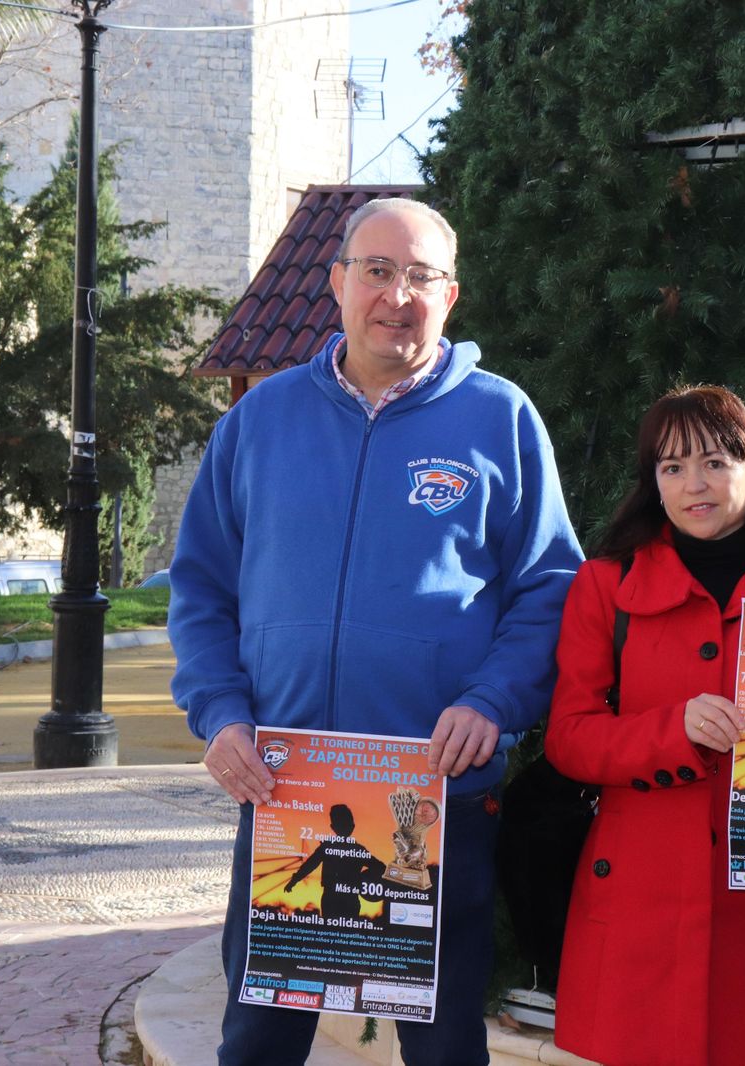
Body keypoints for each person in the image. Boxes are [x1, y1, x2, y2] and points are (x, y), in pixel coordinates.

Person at [168, 197, 583, 1066]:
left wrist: (493, 701)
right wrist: (220, 714)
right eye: (378, 271)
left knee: (441, 1048)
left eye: (421, 276)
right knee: (257, 1044)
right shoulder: (260, 420)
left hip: (431, 798)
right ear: (336, 283)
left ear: (452, 295)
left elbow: (550, 587)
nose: (398, 294)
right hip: (285, 792)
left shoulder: (501, 420)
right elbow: (203, 588)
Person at [545, 385, 745, 1066]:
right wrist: (671, 729)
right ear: (653, 482)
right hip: (640, 902)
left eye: (714, 461)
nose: (694, 485)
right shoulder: (603, 585)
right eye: (672, 467)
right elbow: (568, 738)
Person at [284, 804, 383, 920]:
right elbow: (310, 864)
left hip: (340, 898)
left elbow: (310, 865)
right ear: (352, 826)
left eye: (345, 823)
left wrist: (363, 879)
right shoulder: (355, 850)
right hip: (340, 898)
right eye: (342, 824)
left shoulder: (339, 848)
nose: (344, 827)